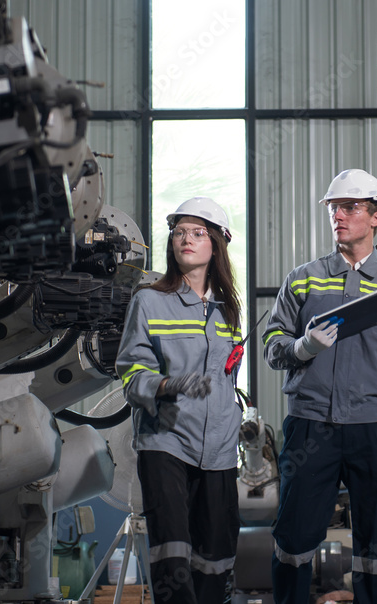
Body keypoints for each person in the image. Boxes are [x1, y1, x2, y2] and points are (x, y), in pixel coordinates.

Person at [262, 169, 377, 604]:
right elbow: (272, 346)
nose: (338, 216)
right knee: (293, 541)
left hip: (376, 431)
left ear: (376, 215)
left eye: (349, 207)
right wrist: (303, 347)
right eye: (333, 208)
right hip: (311, 427)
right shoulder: (303, 279)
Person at [116, 196, 243, 604]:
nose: (185, 239)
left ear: (217, 244)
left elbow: (228, 377)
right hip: (166, 441)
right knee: (172, 556)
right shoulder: (149, 301)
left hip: (220, 449)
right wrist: (169, 385)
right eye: (179, 232)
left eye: (197, 232)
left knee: (216, 558)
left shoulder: (228, 310)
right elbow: (131, 375)